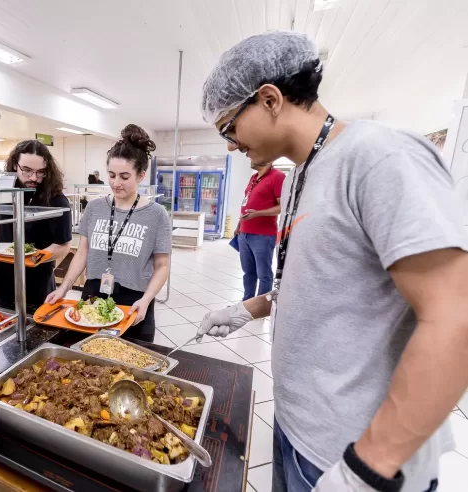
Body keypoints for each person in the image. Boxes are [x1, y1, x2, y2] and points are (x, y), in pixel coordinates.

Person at [197, 31, 468, 492]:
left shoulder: (377, 155)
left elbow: (455, 315)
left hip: (356, 457)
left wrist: (368, 467)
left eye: (229, 128)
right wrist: (250, 308)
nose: (229, 145)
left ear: (269, 100)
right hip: (298, 430)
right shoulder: (305, 171)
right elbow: (324, 280)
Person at [46, 124, 171, 342]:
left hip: (134, 301)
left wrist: (148, 299)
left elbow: (162, 266)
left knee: (129, 366)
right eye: (111, 175)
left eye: (124, 176)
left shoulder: (157, 214)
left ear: (141, 176)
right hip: (93, 295)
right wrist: (64, 287)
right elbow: (82, 252)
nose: (115, 183)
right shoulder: (95, 208)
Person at [0, 140, 72, 306]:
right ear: (15, 164)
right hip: (2, 279)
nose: (34, 178)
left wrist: (32, 259)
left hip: (38, 282)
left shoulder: (57, 200)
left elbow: (63, 245)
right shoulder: (5, 192)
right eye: (27, 171)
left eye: (40, 172)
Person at [235, 160, 284, 300]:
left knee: (264, 274)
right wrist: (239, 224)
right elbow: (246, 201)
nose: (250, 158)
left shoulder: (278, 177)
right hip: (244, 233)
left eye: (255, 154)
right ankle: (247, 302)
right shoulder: (254, 177)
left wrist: (257, 213)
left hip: (263, 235)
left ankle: (261, 306)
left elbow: (282, 206)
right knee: (248, 272)